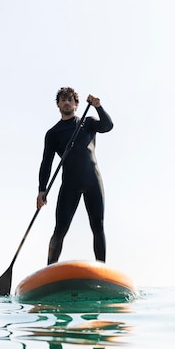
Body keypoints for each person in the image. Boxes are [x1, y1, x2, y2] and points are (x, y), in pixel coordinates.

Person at [36, 87, 113, 264]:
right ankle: (50, 271)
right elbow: (46, 162)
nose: (67, 102)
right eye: (63, 99)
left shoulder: (88, 122)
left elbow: (108, 126)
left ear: (77, 104)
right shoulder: (53, 133)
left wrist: (98, 107)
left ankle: (102, 270)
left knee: (98, 225)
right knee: (60, 229)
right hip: (70, 183)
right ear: (58, 104)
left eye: (70, 99)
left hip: (93, 179)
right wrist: (42, 190)